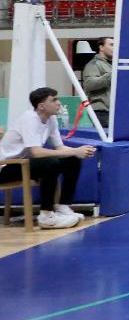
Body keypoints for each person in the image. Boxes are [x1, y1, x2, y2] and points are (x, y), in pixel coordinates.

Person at [0, 87, 96, 229]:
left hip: (25, 163)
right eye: (54, 100)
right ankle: (46, 216)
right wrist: (74, 151)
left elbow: (60, 147)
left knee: (73, 159)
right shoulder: (29, 119)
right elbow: (37, 152)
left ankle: (63, 207)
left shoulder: (51, 119)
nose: (58, 103)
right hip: (7, 167)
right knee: (50, 163)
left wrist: (78, 151)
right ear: (41, 106)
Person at [81, 36, 114, 129]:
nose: (114, 48)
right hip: (101, 111)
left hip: (113, 111)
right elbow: (89, 84)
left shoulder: (112, 65)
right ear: (101, 47)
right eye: (111, 45)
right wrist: (112, 74)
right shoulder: (93, 64)